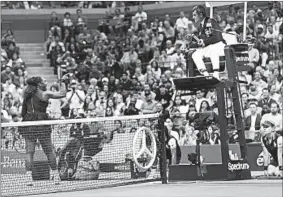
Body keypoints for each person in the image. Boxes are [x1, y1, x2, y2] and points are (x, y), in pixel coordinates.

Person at [19, 76, 67, 186]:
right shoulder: (45, 94)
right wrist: (63, 82)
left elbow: (23, 112)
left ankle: (28, 179)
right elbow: (63, 94)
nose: (46, 82)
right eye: (44, 81)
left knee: (29, 152)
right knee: (49, 151)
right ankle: (55, 176)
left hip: (29, 123)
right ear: (39, 84)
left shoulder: (27, 94)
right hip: (41, 123)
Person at [191, 5, 226, 80]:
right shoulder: (200, 26)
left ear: (200, 15)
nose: (193, 17)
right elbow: (203, 41)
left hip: (219, 46)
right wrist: (198, 43)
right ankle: (205, 74)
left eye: (194, 15)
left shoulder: (211, 21)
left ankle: (216, 73)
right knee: (195, 54)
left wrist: (204, 41)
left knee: (212, 48)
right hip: (209, 48)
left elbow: (217, 37)